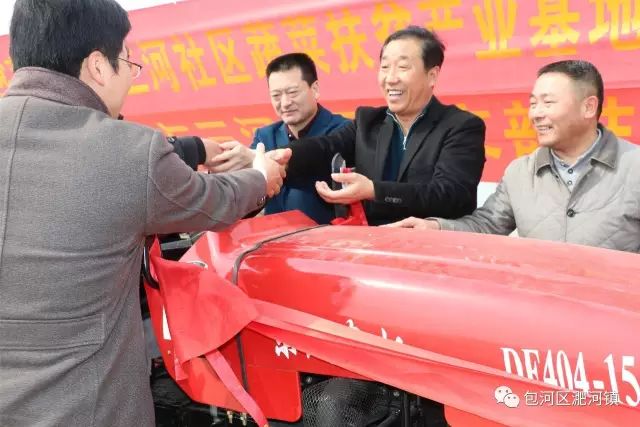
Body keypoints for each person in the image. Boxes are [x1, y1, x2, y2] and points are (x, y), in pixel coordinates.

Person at [0, 1, 289, 427]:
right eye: (129, 63)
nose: (130, 79)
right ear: (99, 66)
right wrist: (261, 175)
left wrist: (199, 148)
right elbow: (218, 200)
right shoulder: (128, 151)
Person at [387, 60, 640, 253]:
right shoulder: (520, 172)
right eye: (533, 104)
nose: (536, 114)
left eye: (548, 103)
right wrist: (434, 227)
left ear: (589, 107)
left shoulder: (634, 166)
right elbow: (486, 225)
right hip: (539, 303)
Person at [280, 26, 486, 226]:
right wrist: (282, 158)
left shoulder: (461, 127)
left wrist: (374, 191)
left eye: (403, 67)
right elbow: (325, 148)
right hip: (374, 243)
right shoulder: (368, 121)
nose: (391, 78)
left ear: (432, 75)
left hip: (432, 243)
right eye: (385, 67)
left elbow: (451, 195)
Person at [210, 53, 349, 224]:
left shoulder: (343, 133)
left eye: (292, 93)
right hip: (274, 236)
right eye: (276, 95)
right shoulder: (265, 136)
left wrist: (258, 159)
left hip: (328, 235)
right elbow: (250, 191)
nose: (285, 103)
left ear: (315, 89)